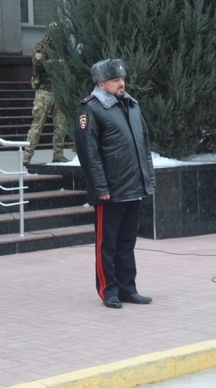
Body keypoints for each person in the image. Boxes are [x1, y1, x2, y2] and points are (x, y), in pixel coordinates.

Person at [74, 59, 156, 308]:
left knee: (127, 242)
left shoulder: (132, 105)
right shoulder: (90, 109)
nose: (121, 83)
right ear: (101, 84)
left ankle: (128, 288)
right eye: (115, 80)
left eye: (122, 79)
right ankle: (108, 290)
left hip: (133, 187)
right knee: (106, 244)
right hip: (110, 190)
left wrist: (148, 180)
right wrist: (100, 188)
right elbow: (88, 153)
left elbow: (144, 146)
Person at [23, 30, 68, 166]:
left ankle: (58, 155)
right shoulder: (41, 46)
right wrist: (57, 62)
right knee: (37, 125)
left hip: (58, 91)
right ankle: (27, 155)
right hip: (44, 91)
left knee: (61, 126)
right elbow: (38, 65)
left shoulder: (61, 47)